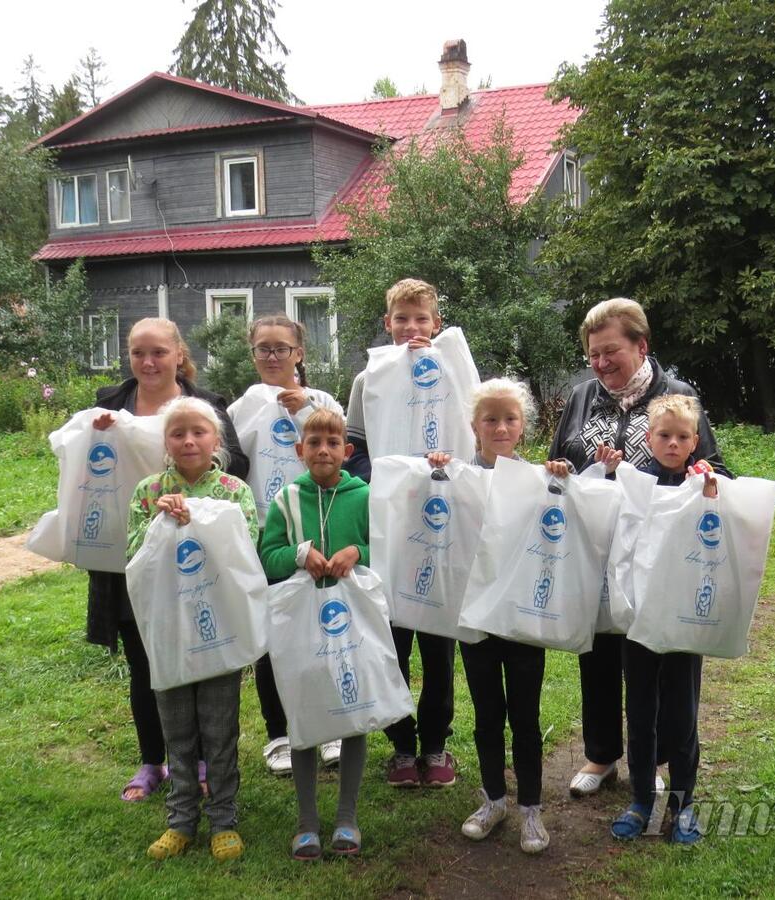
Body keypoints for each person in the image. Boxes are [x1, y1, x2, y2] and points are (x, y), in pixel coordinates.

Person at [548, 298, 726, 798]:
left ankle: (657, 758)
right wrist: (561, 472)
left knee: (658, 656)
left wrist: (707, 480)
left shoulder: (678, 396)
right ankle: (601, 754)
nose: (600, 364)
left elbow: (712, 467)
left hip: (659, 562)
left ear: (641, 345)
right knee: (599, 652)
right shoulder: (582, 397)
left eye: (611, 352)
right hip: (597, 554)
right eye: (593, 355)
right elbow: (558, 464)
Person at [87, 317, 248, 803]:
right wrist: (98, 437)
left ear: (179, 353)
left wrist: (188, 500)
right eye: (138, 353)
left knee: (201, 651)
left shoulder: (210, 406)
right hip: (134, 552)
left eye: (158, 351)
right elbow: (88, 472)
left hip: (198, 557)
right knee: (144, 657)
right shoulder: (109, 406)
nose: (148, 362)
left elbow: (236, 464)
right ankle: (152, 759)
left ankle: (198, 758)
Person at [126, 396, 258, 861]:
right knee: (177, 728)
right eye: (178, 433)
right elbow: (133, 558)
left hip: (217, 626)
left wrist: (198, 518)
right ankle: (181, 820)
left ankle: (224, 818)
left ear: (215, 438)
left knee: (220, 728)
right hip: (169, 631)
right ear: (165, 442)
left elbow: (248, 546)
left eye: (198, 432)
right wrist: (158, 521)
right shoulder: (147, 491)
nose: (188, 440)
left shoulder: (232, 490)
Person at [426, 378, 551, 854]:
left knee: (525, 715)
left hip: (521, 620)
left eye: (510, 419)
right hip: (475, 619)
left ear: (523, 426)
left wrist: (561, 478)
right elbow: (428, 506)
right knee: (486, 716)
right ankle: (494, 800)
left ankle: (531, 810)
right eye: (490, 419)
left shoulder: (539, 478)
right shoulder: (455, 476)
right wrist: (436, 471)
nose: (500, 427)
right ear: (474, 426)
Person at [344, 278, 459, 789]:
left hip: (441, 524)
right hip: (389, 526)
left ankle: (436, 744)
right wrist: (391, 478)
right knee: (393, 642)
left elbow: (472, 440)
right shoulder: (369, 380)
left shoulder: (456, 373)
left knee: (438, 641)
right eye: (401, 319)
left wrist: (441, 473)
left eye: (421, 319)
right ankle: (401, 745)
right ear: (387, 323)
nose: (411, 328)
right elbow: (355, 447)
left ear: (436, 323)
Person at [228, 314, 344, 778]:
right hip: (267, 533)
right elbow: (233, 464)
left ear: (299, 353)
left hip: (322, 526)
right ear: (253, 354)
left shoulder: (323, 401)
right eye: (263, 349)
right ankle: (279, 733)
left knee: (327, 627)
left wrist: (305, 409)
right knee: (272, 634)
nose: (273, 357)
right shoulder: (242, 408)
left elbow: (338, 446)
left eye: (282, 348)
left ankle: (330, 725)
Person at [610, 394, 729, 843]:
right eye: (664, 435)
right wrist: (605, 472)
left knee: (682, 714)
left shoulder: (706, 482)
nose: (673, 443)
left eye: (682, 437)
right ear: (648, 438)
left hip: (684, 620)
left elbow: (720, 525)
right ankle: (641, 799)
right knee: (640, 713)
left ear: (695, 441)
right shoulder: (634, 484)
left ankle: (683, 805)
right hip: (639, 619)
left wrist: (712, 490)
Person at [258, 408, 371, 859]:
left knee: (353, 709)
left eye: (332, 442)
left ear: (347, 450)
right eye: (313, 442)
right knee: (302, 712)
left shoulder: (363, 496)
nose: (323, 450)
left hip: (352, 623)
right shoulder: (286, 499)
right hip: (302, 623)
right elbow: (267, 556)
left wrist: (356, 551)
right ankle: (307, 821)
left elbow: (384, 547)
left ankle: (347, 817)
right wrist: (299, 555)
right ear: (299, 450)